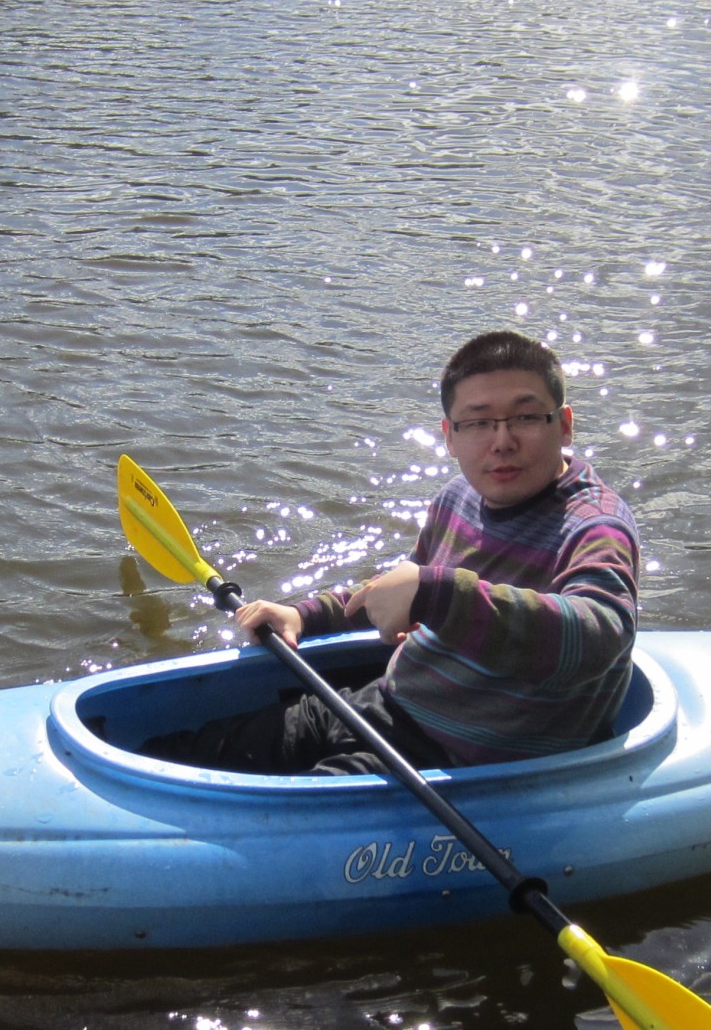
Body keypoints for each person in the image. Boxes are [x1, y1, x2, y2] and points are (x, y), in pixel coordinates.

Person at [162, 329, 641, 776]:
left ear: (564, 425)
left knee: (274, 820)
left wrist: (438, 593)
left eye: (526, 417)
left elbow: (599, 635)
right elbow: (399, 594)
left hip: (457, 763)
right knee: (193, 752)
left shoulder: (594, 524)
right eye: (478, 422)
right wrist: (304, 616)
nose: (502, 441)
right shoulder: (458, 497)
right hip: (386, 704)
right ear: (449, 436)